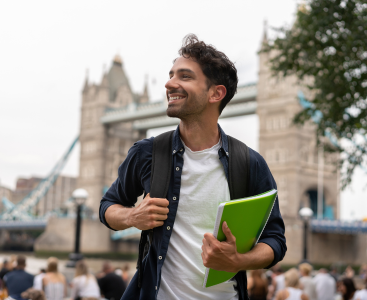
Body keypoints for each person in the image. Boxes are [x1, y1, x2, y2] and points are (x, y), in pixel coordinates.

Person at [99, 34, 287, 300]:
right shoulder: (147, 153)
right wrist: (131, 217)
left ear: (216, 93)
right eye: (171, 74)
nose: (169, 83)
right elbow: (107, 206)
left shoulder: (250, 162)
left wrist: (238, 260)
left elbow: (275, 241)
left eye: (184, 76)